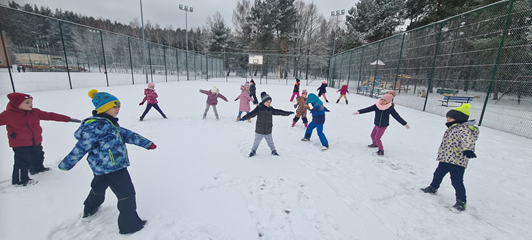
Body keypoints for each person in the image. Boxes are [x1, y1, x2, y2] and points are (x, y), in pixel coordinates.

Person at [58, 89, 156, 234]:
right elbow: (81, 146)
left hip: (101, 168)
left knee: (98, 189)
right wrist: (67, 163)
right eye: (114, 106)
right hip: (114, 167)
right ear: (104, 108)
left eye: (119, 106)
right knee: (126, 193)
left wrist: (146, 143)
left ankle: (90, 209)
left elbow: (126, 134)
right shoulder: (96, 126)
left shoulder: (110, 123)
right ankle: (129, 226)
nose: (118, 109)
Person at [0, 93, 80, 186]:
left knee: (38, 155)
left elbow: (51, 116)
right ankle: (19, 180)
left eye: (31, 102)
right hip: (19, 143)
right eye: (27, 102)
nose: (31, 104)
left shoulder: (35, 112)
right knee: (22, 161)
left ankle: (37, 169)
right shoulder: (8, 115)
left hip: (35, 140)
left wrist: (69, 119)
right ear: (16, 104)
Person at [421, 104, 479, 211]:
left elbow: (468, 140)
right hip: (446, 158)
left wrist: (468, 150)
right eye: (447, 117)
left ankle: (461, 201)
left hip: (457, 161)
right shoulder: (453, 127)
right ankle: (433, 187)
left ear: (459, 118)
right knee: (438, 174)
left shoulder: (464, 129)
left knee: (456, 181)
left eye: (450, 117)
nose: (447, 119)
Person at [240, 92, 293, 157]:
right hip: (260, 129)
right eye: (267, 102)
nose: (269, 104)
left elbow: (279, 112)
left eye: (270, 102)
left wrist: (288, 113)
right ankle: (253, 150)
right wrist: (244, 118)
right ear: (263, 102)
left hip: (268, 129)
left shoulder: (270, 109)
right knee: (256, 142)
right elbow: (252, 114)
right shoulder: (259, 108)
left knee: (270, 142)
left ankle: (273, 151)